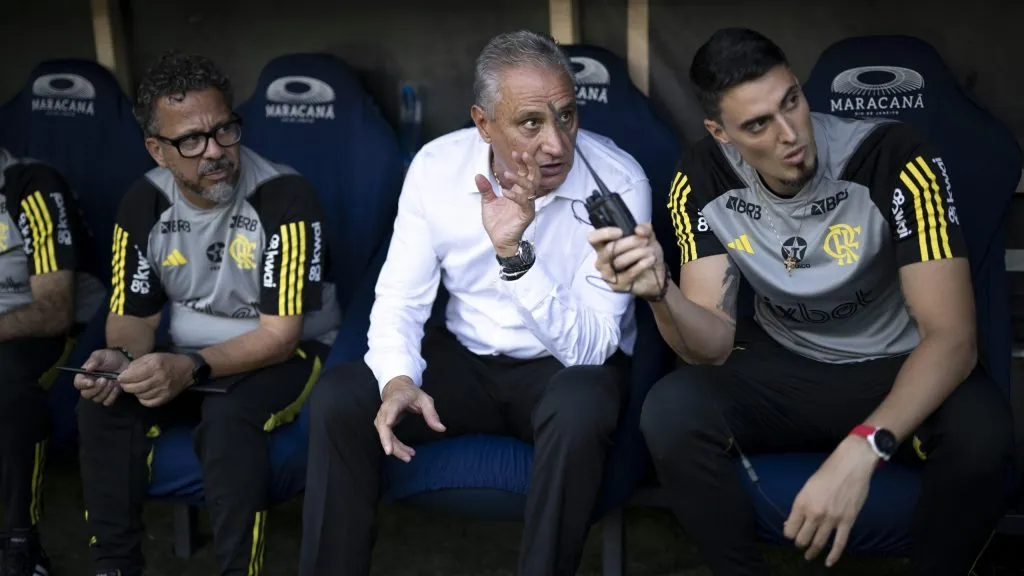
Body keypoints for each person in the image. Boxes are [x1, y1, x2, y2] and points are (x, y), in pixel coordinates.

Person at [588, 27, 1014, 576]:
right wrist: (660, 292)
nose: (790, 134)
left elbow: (953, 339)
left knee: (984, 433)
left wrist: (864, 447)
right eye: (758, 124)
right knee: (671, 410)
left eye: (791, 101)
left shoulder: (897, 157)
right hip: (786, 365)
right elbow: (710, 347)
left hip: (896, 361)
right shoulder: (700, 177)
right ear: (721, 133)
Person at [299, 30, 652, 576]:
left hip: (563, 370)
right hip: (465, 359)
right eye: (530, 123)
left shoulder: (619, 181)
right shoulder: (436, 168)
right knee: (342, 396)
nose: (557, 144)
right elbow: (399, 298)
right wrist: (397, 379)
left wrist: (515, 257)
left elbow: (591, 348)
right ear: (483, 123)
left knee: (582, 403)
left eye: (567, 116)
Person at [72, 51, 340, 576]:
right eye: (191, 140)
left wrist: (191, 367)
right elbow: (134, 317)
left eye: (224, 131)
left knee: (227, 419)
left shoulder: (284, 195)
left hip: (286, 352)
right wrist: (122, 356)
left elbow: (281, 336)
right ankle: (115, 567)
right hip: (185, 350)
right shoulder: (142, 203)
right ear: (157, 149)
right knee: (103, 401)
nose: (215, 151)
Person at [0, 148, 104, 576]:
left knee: (7, 385)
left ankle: (20, 543)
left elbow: (54, 311)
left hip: (50, 331)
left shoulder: (31, 186)